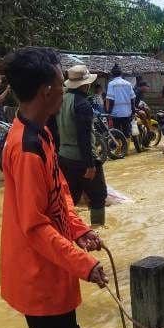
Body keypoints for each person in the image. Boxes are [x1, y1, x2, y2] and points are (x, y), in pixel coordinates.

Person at [0, 47, 108, 328]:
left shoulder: (41, 133)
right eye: (62, 83)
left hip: (50, 263)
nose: (65, 90)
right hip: (38, 270)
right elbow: (35, 226)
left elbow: (59, 193)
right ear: (47, 90)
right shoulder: (26, 148)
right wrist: (84, 264)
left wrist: (78, 230)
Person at [56, 64, 107, 227]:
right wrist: (90, 165)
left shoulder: (60, 100)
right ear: (86, 84)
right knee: (98, 197)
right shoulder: (82, 104)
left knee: (70, 198)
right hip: (82, 159)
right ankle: (98, 230)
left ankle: (67, 230)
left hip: (64, 157)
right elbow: (84, 137)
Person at [105, 64, 139, 152]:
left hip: (116, 113)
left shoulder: (111, 84)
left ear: (112, 74)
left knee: (117, 132)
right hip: (127, 112)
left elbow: (111, 99)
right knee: (126, 132)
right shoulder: (128, 84)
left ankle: (119, 150)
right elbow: (132, 98)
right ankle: (126, 151)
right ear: (121, 74)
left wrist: (109, 112)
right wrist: (133, 111)